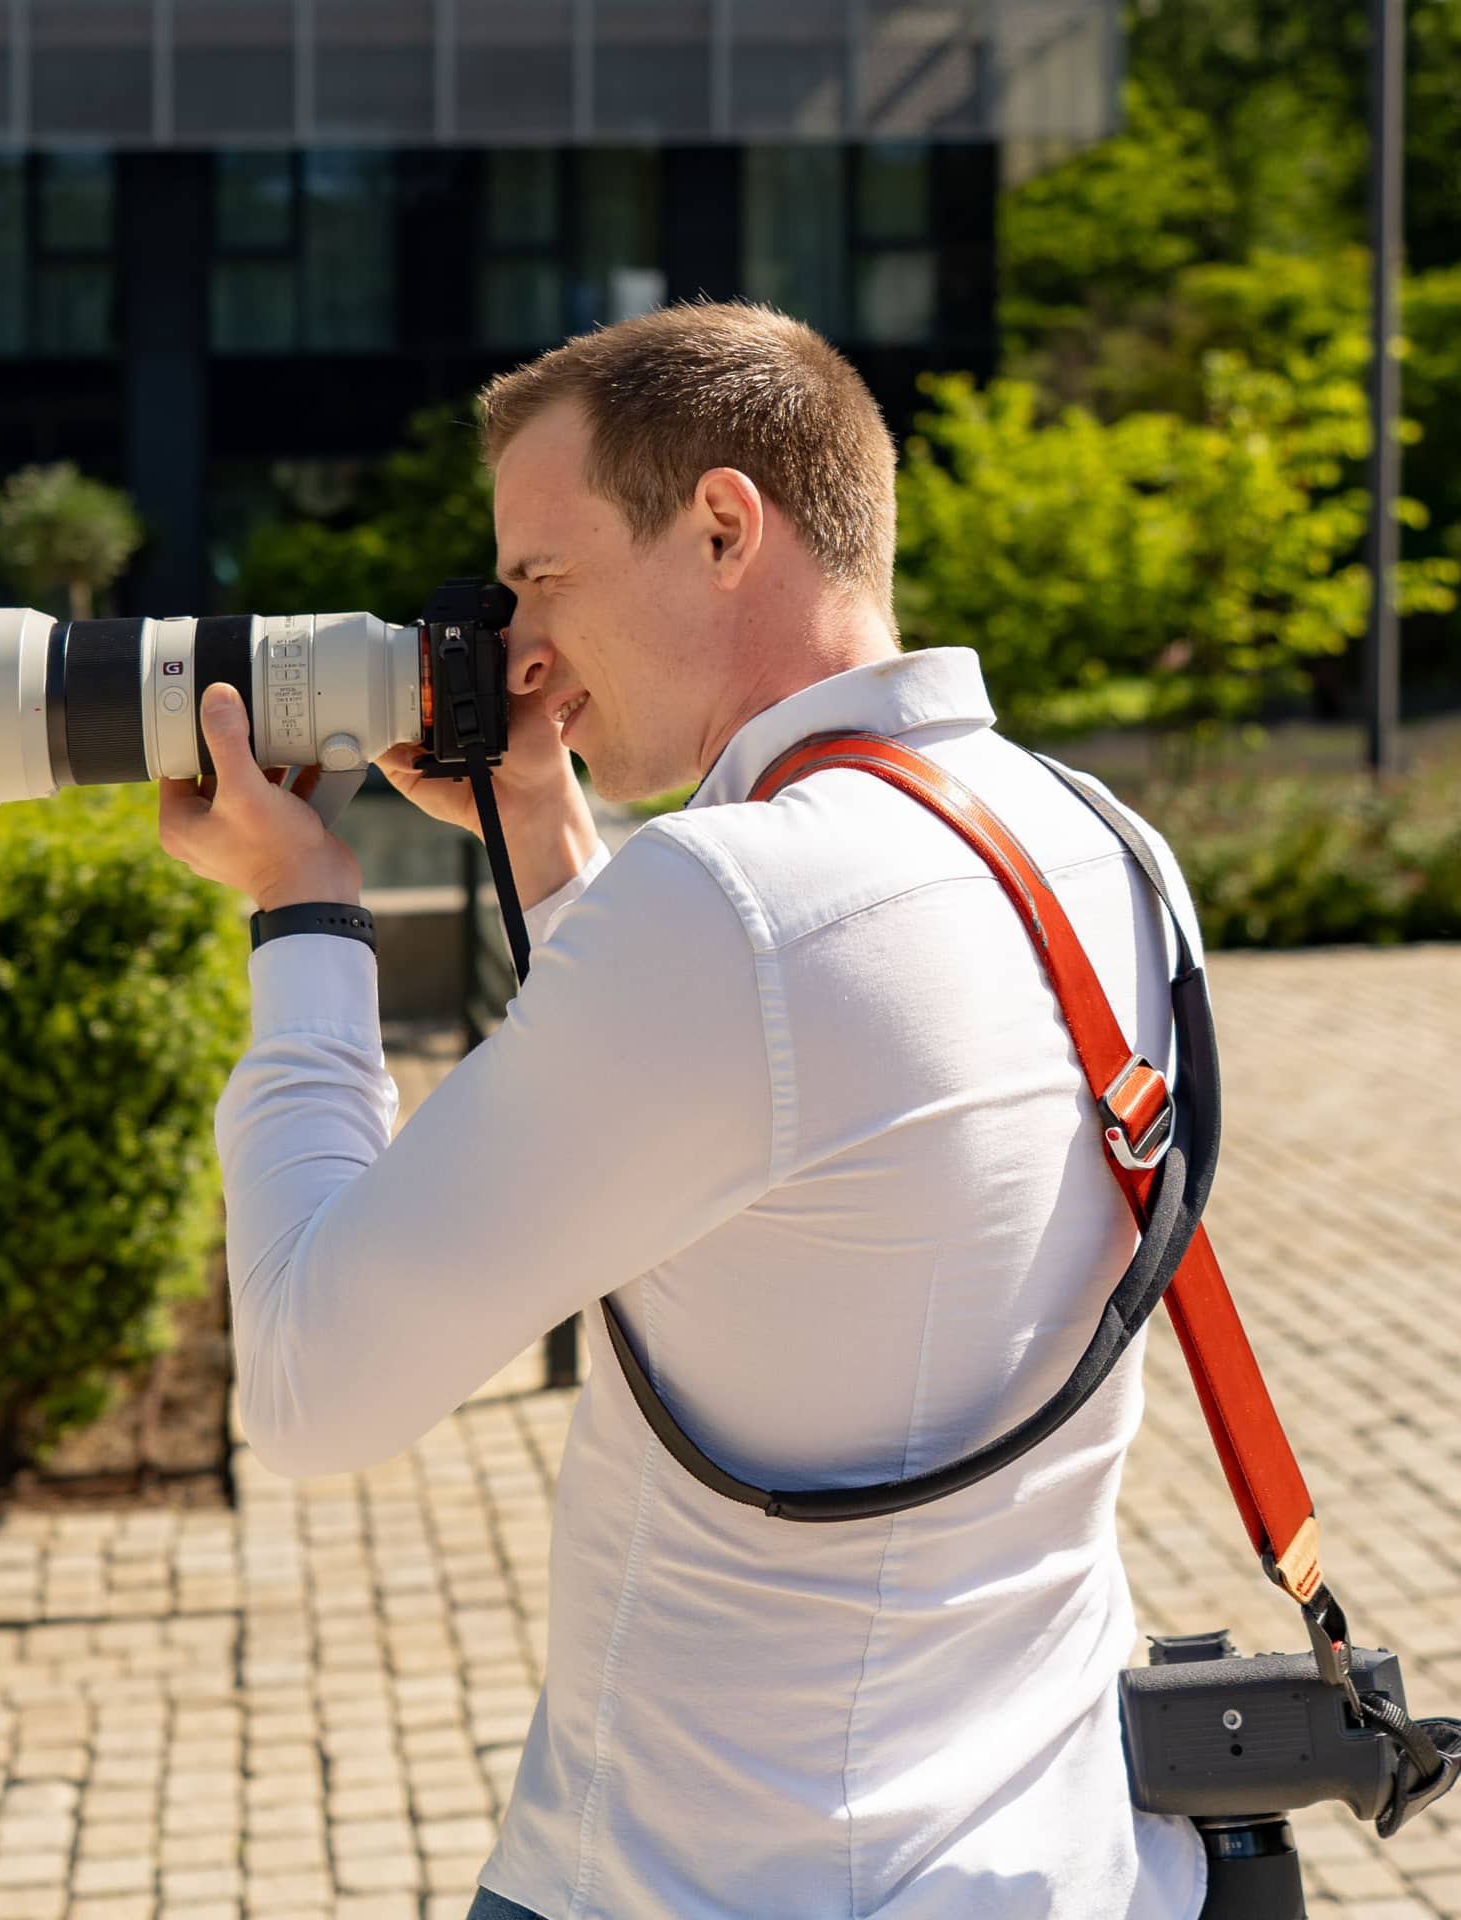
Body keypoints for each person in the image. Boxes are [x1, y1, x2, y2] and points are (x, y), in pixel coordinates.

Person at [156, 301, 1208, 1920]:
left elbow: (310, 1391)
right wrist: (543, 829)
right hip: (1061, 1857)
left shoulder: (731, 907)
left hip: (705, 1881)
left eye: (543, 579)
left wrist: (302, 914)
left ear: (725, 527)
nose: (515, 641)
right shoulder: (1106, 846)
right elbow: (782, 1129)